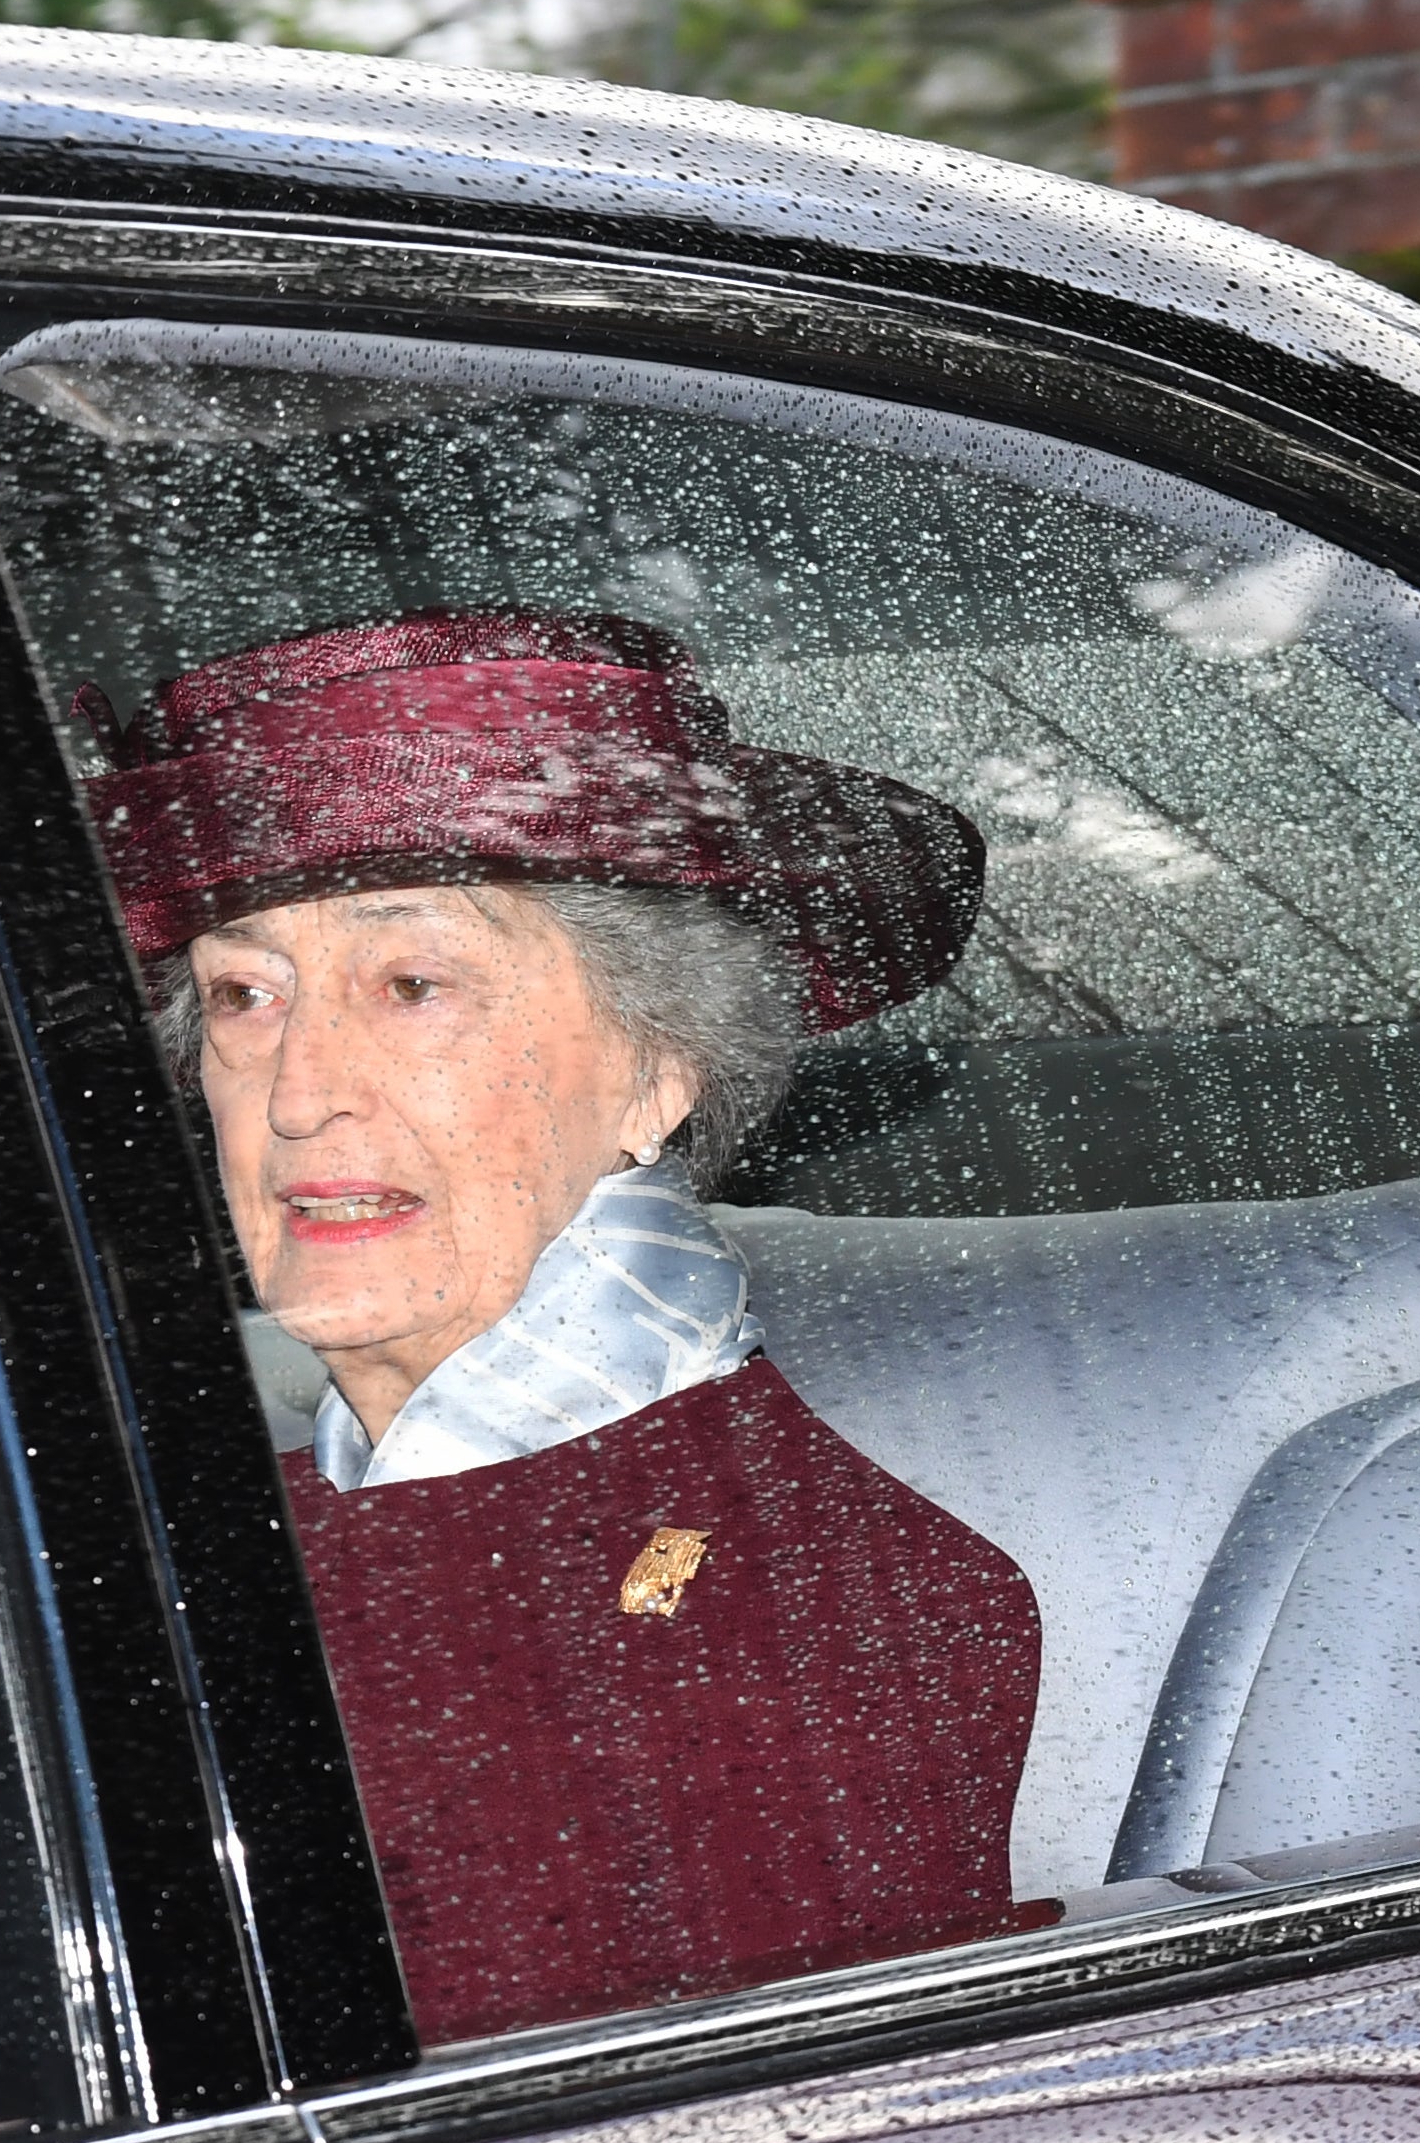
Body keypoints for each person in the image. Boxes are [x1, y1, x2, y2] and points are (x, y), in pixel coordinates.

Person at [96, 608, 1037, 2043]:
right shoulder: (193, 1544)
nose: (295, 1094)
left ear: (657, 1069)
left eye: (413, 986)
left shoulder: (831, 1610)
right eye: (242, 997)